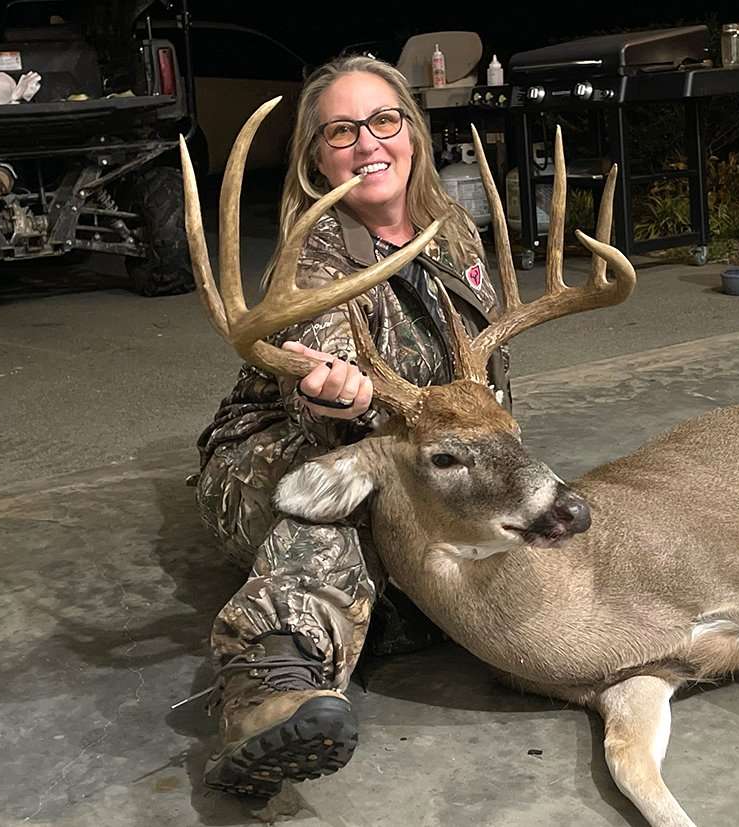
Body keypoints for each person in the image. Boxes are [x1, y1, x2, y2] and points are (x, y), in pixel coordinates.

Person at [189, 54, 510, 798]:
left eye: (384, 121)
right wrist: (343, 390)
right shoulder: (316, 253)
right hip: (276, 452)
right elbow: (321, 361)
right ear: (315, 156)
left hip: (423, 453)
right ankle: (266, 683)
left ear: (413, 133)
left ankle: (389, 615)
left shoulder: (454, 234)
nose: (369, 145)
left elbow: (484, 384)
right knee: (345, 495)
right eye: (341, 132)